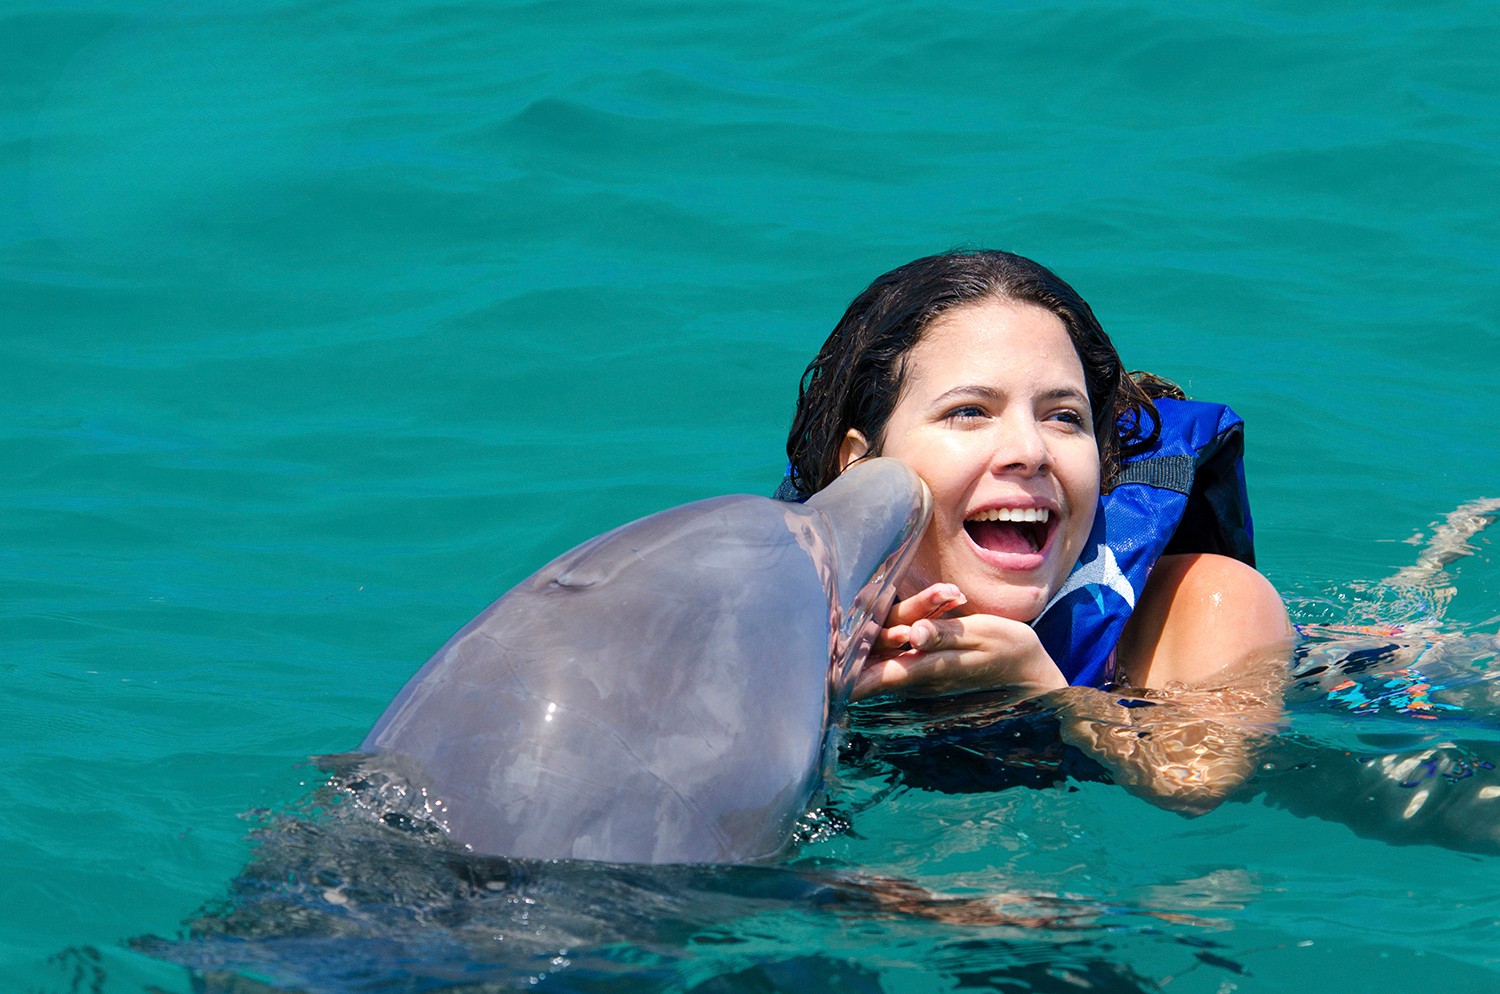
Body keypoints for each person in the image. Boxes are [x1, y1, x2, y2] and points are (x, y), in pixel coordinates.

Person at [780, 249, 1295, 813]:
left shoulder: (1200, 602)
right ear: (860, 465)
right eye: (970, 411)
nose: (1030, 451)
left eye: (1064, 417)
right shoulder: (797, 621)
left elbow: (1196, 783)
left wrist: (1040, 687)